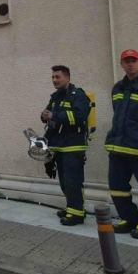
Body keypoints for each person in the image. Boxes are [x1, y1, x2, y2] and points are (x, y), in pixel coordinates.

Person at [41, 65, 91, 226]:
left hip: (73, 145)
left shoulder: (78, 95)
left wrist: (54, 115)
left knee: (73, 181)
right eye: (53, 77)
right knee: (64, 181)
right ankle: (72, 208)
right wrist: (44, 116)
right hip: (58, 145)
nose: (55, 80)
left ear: (67, 78)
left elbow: (80, 116)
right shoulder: (55, 97)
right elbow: (48, 114)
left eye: (58, 77)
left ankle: (77, 214)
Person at [105, 49, 138, 239]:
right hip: (118, 147)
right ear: (121, 65)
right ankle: (129, 218)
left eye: (133, 60)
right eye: (126, 61)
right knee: (117, 187)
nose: (130, 64)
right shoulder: (117, 88)